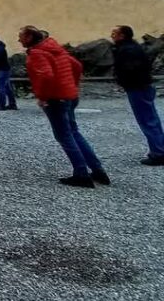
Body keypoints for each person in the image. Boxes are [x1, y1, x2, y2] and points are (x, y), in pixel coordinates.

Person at [20, 25, 109, 188]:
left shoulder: (37, 53)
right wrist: (72, 86)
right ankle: (98, 170)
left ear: (29, 38)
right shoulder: (55, 49)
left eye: (21, 37)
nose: (19, 39)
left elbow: (46, 75)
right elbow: (77, 66)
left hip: (55, 98)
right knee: (74, 132)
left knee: (64, 135)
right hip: (69, 95)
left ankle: (81, 174)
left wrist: (42, 97)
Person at [111, 25, 164, 165]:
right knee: (152, 119)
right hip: (142, 86)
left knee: (147, 120)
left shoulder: (127, 50)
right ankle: (160, 148)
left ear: (122, 35)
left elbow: (131, 69)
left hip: (138, 88)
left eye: (115, 33)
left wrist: (124, 81)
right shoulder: (132, 47)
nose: (112, 35)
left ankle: (159, 153)